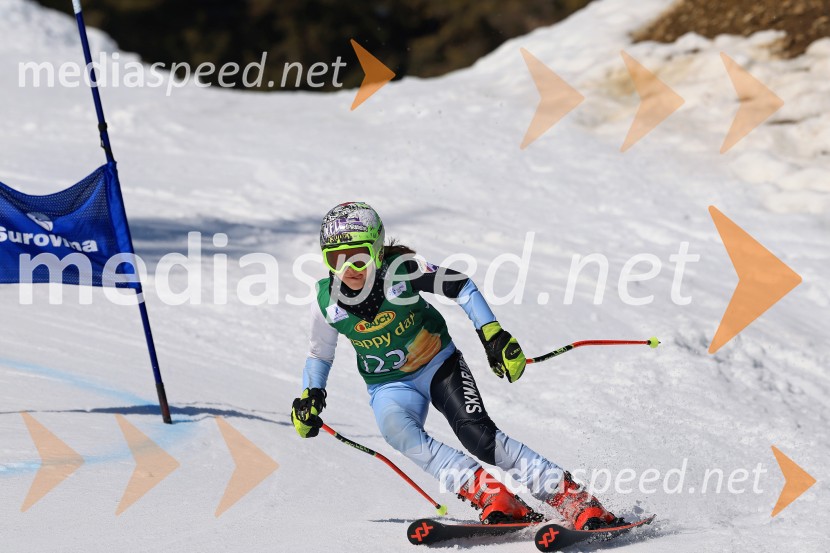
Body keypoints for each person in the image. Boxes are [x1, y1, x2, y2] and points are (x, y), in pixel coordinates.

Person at [291, 201, 622, 529]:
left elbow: (461, 285)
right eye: (336, 259)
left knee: (479, 437)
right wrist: (311, 396)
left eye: (359, 256)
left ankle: (574, 499)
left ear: (377, 251)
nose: (349, 268)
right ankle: (493, 496)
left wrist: (492, 332)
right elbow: (319, 354)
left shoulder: (401, 270)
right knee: (397, 431)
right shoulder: (326, 301)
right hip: (389, 386)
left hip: (439, 366)